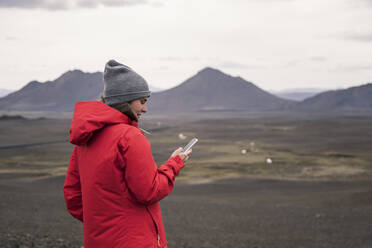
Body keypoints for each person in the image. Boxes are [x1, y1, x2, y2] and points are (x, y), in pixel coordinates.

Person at [63, 59, 192, 248]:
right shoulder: (130, 137)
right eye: (142, 102)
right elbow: (149, 191)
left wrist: (104, 224)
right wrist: (174, 164)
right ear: (125, 100)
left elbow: (73, 198)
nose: (145, 109)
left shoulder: (85, 140)